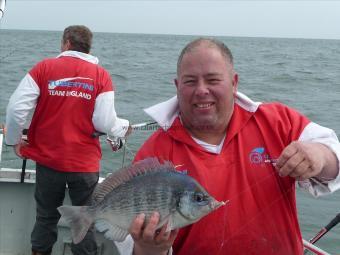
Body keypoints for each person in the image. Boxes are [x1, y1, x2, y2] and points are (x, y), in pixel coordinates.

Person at [115, 38, 340, 255]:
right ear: (177, 85)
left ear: (234, 82)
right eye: (190, 81)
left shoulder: (277, 121)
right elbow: (131, 243)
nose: (202, 90)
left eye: (213, 80)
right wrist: (150, 249)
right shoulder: (153, 153)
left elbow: (333, 161)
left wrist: (319, 155)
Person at [5, 25, 130, 255]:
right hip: (84, 165)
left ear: (66, 43)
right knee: (85, 222)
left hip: (48, 161)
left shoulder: (44, 68)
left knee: (45, 217)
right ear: (88, 47)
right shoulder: (101, 75)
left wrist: (14, 140)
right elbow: (104, 122)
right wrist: (123, 127)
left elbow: (16, 109)